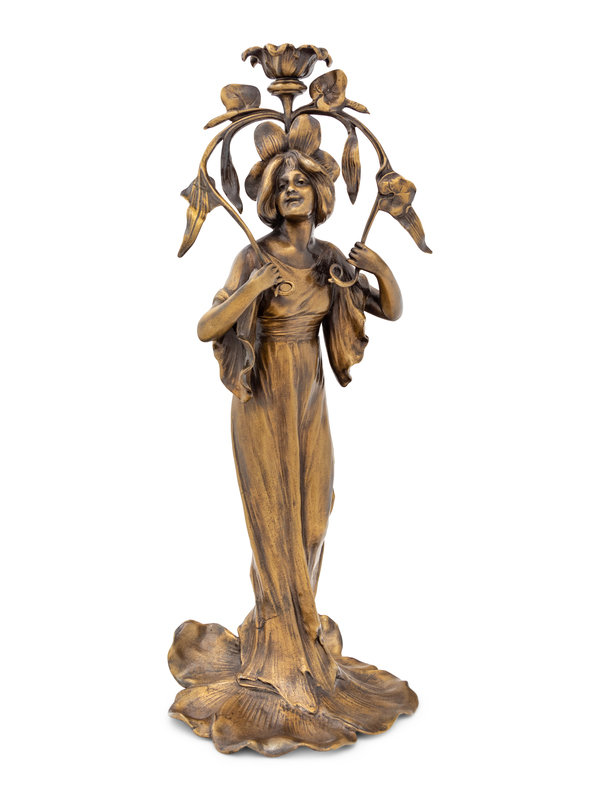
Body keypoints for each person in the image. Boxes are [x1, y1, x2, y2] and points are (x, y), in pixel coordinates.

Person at [169, 120, 417, 754]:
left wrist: (377, 268)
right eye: (281, 184)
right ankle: (278, 660)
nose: (292, 189)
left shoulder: (330, 259)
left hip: (310, 400)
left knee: (313, 519)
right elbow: (206, 327)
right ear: (268, 197)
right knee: (272, 525)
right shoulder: (252, 256)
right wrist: (253, 289)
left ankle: (296, 640)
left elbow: (388, 309)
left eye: (302, 179)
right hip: (260, 401)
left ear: (320, 190)